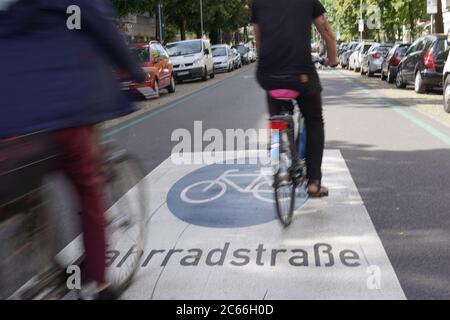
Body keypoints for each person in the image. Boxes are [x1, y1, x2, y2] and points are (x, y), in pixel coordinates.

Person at [0, 0, 146, 299]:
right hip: (68, 112)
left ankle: (45, 262)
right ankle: (100, 284)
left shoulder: (12, 8)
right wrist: (136, 71)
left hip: (15, 121)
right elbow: (106, 33)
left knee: (26, 186)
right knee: (88, 191)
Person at [251, 0, 338, 198]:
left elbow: (258, 36)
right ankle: (314, 182)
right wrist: (333, 59)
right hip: (301, 75)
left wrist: (266, 62)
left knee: (276, 117)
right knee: (315, 120)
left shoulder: (257, 2)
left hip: (268, 75)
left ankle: (277, 148)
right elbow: (326, 32)